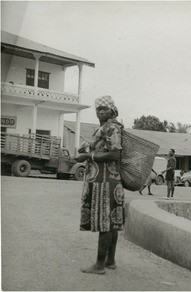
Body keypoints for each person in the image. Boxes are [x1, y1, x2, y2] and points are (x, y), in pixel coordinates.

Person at [75, 95, 124, 275]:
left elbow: (114, 155)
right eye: (98, 109)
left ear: (112, 110)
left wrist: (88, 156)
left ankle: (99, 265)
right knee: (111, 223)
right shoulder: (107, 127)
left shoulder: (112, 127)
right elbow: (102, 147)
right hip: (108, 180)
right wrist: (87, 148)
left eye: (104, 109)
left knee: (105, 223)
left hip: (105, 181)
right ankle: (110, 261)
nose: (100, 112)